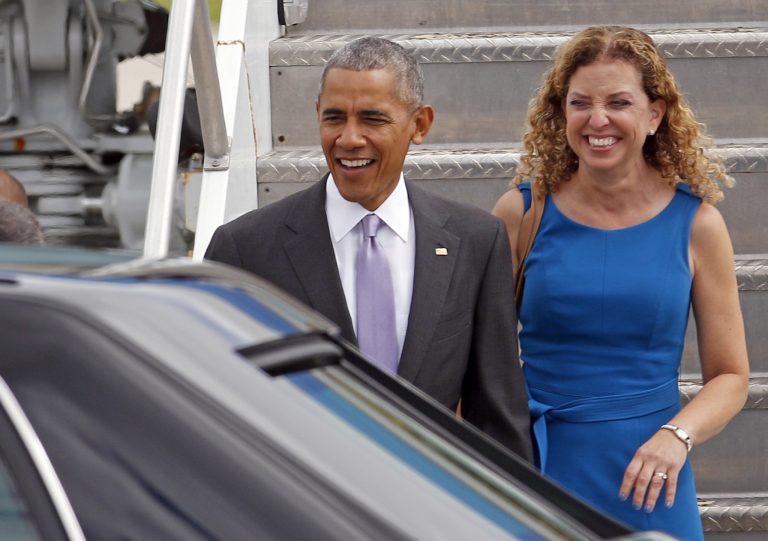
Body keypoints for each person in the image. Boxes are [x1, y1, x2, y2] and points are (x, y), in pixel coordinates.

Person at [206, 37, 533, 460]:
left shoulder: (475, 241)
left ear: (420, 125)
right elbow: (212, 406)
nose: (349, 138)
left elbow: (497, 419)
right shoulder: (245, 249)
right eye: (334, 118)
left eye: (373, 119)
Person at [492, 26, 749, 539]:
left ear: (654, 115)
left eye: (619, 102)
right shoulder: (521, 212)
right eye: (580, 102)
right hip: (535, 463)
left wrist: (677, 436)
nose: (597, 119)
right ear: (561, 112)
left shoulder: (697, 223)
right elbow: (478, 352)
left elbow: (730, 376)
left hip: (651, 476)